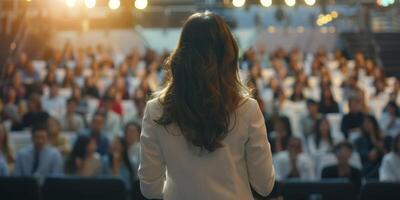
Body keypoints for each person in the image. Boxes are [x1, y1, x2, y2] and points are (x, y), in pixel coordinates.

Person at [139, 12, 275, 200]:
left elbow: (150, 188)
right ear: (228, 56)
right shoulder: (247, 109)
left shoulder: (156, 109)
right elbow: (264, 185)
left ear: (181, 54)